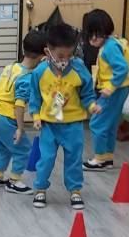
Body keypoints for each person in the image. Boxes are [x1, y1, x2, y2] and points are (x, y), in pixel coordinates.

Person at [27, 21, 99, 209]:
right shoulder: (40, 72)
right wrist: (35, 115)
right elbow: (34, 96)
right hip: (49, 125)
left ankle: (75, 190)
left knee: (74, 158)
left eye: (70, 55)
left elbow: (87, 92)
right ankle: (40, 188)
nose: (65, 59)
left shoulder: (79, 69)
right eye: (60, 55)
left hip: (73, 124)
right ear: (48, 51)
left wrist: (91, 105)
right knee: (46, 158)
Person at [0, 28, 45, 195]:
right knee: (23, 148)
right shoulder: (27, 77)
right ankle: (14, 181)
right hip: (5, 118)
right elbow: (19, 104)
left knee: (4, 148)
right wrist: (20, 127)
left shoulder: (11, 67)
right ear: (42, 56)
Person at [81, 9, 129, 171]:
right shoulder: (118, 42)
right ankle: (107, 157)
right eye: (90, 34)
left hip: (113, 91)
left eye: (97, 34)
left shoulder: (109, 48)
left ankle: (99, 158)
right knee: (110, 124)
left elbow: (122, 68)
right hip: (121, 89)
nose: (93, 39)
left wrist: (110, 87)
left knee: (97, 123)